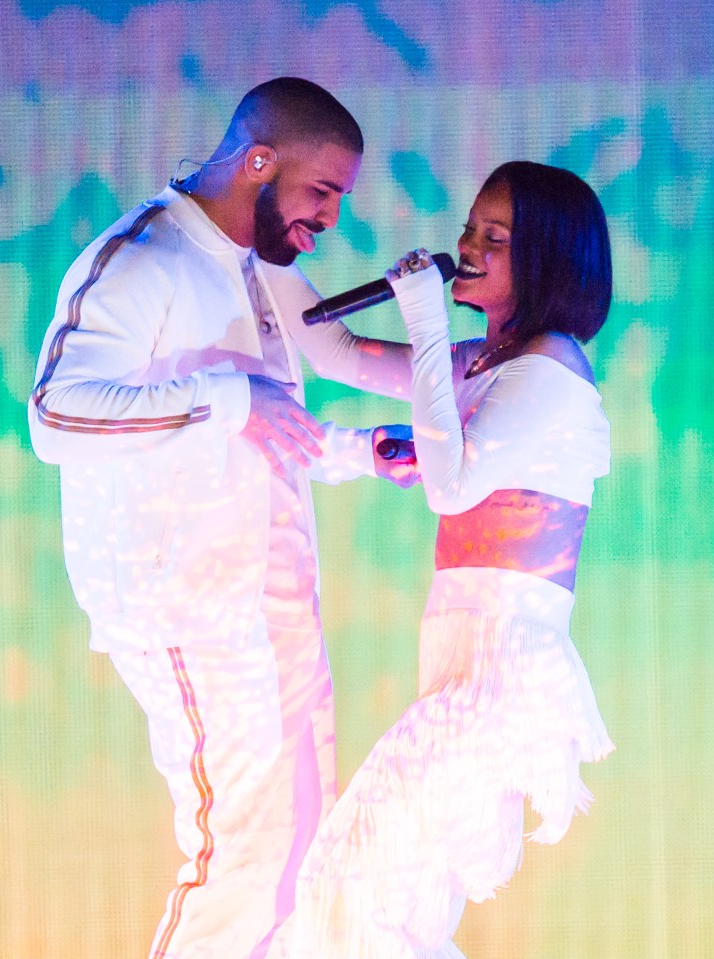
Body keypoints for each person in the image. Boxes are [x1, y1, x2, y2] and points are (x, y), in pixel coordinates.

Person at [28, 77, 419, 959]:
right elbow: (55, 414)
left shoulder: (264, 273)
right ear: (259, 161)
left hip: (277, 602)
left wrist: (369, 446)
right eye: (323, 191)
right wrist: (223, 394)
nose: (330, 217)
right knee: (242, 853)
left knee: (303, 854)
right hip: (189, 609)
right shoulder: (140, 258)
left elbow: (297, 402)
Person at [290, 161, 615, 959]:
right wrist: (266, 252)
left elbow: (450, 482)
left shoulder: (551, 372)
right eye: (470, 227)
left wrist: (428, 326)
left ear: (544, 259)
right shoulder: (485, 361)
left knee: (345, 885)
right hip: (459, 665)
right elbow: (333, 353)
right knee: (377, 903)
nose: (464, 245)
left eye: (493, 238)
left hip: (501, 678)